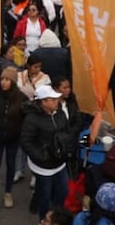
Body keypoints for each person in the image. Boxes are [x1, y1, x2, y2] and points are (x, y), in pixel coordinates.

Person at [19, 84, 75, 218]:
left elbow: (66, 131)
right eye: (53, 99)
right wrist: (41, 156)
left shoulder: (60, 113)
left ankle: (55, 216)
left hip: (59, 163)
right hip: (43, 167)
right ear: (43, 102)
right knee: (45, 196)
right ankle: (44, 219)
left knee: (62, 191)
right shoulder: (32, 119)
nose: (57, 102)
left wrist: (66, 146)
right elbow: (25, 141)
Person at [0, 66, 24, 209]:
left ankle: (8, 193)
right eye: (2, 79)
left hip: (13, 137)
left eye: (7, 79)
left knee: (11, 165)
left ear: (13, 81)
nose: (3, 82)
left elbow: (27, 115)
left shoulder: (21, 98)